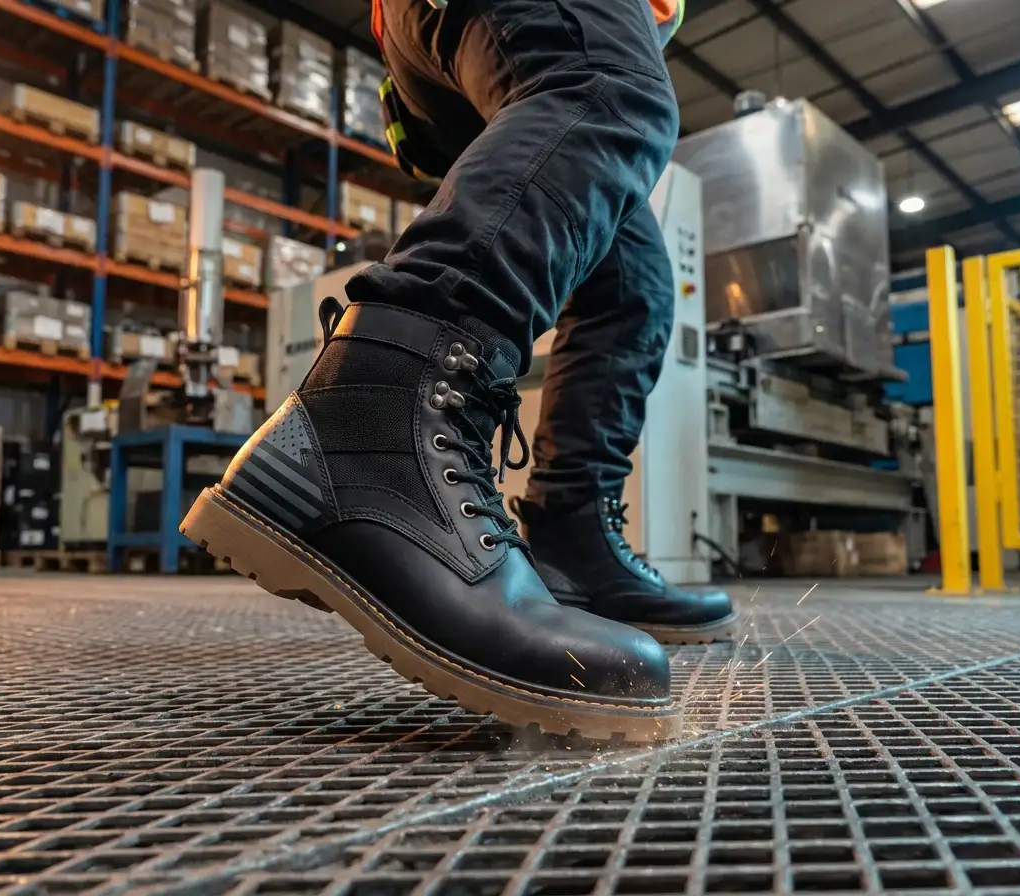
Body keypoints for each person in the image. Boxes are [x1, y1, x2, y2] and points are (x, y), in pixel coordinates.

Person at [183, 0, 735, 743]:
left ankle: (575, 539)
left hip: (445, 54)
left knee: (631, 284)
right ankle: (372, 415)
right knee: (609, 89)